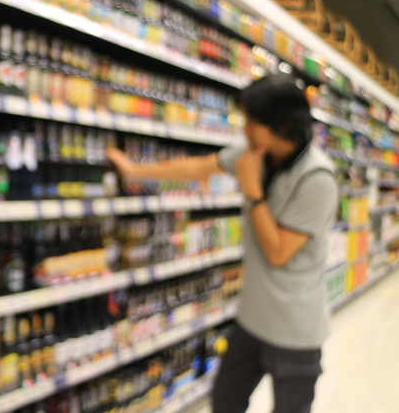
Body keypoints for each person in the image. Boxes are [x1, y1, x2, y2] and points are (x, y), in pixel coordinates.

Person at [107, 74, 338, 413]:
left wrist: (252, 193)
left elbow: (277, 252)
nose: (243, 129)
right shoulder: (256, 154)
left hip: (295, 329)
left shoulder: (318, 179)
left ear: (283, 126)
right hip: (252, 319)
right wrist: (135, 170)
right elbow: (200, 167)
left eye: (250, 122)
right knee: (225, 402)